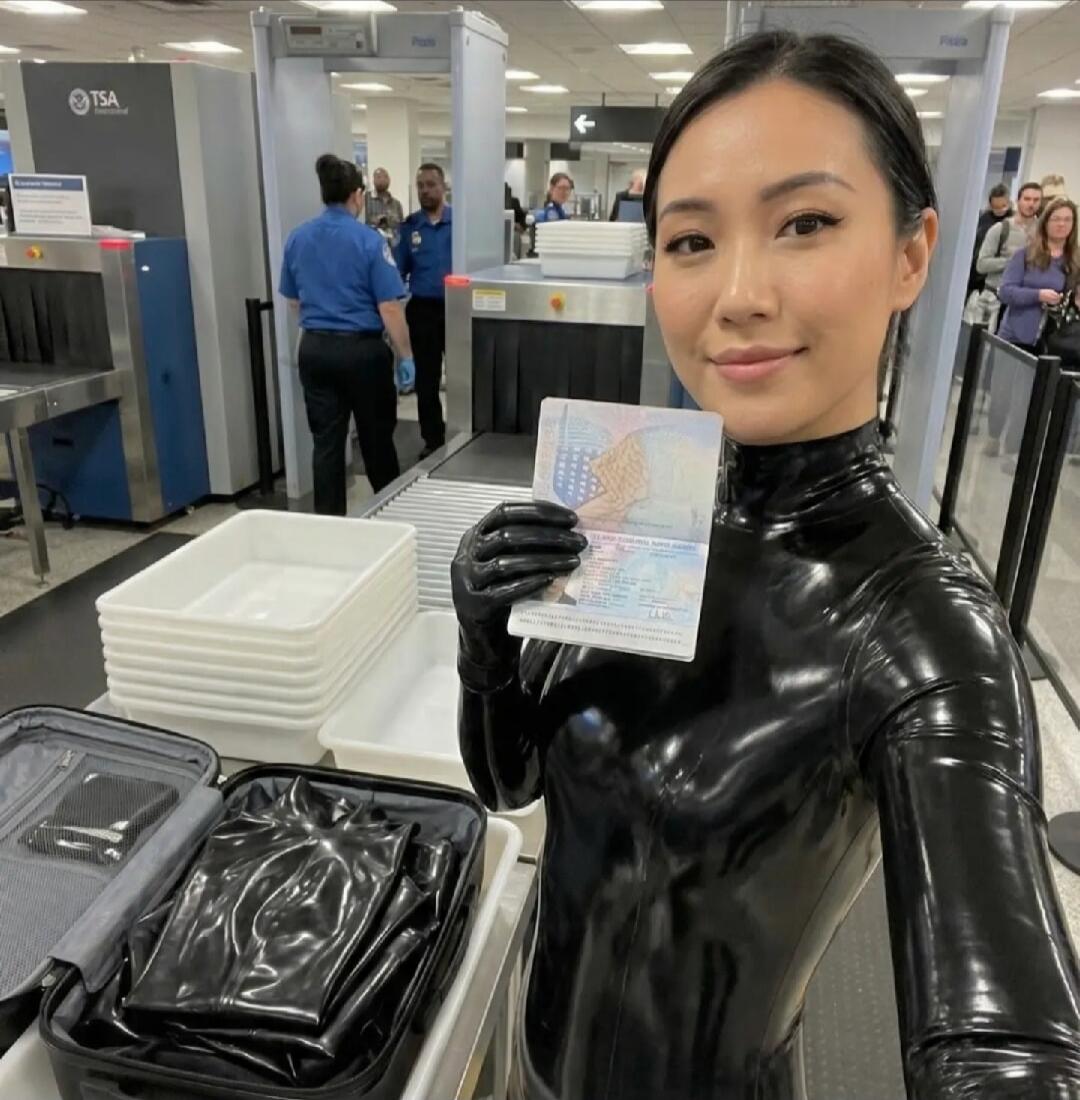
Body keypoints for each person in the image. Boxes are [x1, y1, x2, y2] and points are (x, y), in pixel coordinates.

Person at [451, 30, 1080, 1100]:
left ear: (912, 254)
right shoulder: (642, 506)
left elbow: (1006, 1044)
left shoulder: (926, 631)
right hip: (530, 1064)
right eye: (691, 240)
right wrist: (485, 643)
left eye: (805, 223)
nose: (736, 293)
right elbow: (510, 784)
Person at [280, 154, 415, 514]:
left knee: (326, 444)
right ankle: (390, 515)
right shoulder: (369, 241)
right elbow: (389, 307)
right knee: (376, 441)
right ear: (357, 195)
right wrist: (406, 356)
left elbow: (293, 301)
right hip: (362, 355)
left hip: (316, 351)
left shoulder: (298, 238)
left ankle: (329, 528)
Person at [987, 195, 1079, 456]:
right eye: (1057, 219)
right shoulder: (1024, 256)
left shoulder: (1075, 261)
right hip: (1015, 334)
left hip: (1051, 340)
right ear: (1046, 222)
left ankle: (1014, 450)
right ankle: (994, 436)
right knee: (1002, 394)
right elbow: (1005, 292)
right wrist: (1038, 296)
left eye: (1068, 220)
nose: (1062, 225)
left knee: (1028, 399)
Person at [396, 162, 452, 458]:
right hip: (423, 312)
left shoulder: (460, 222)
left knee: (461, 378)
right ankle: (433, 439)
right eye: (420, 185)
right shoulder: (409, 227)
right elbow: (397, 271)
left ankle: (462, 435)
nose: (425, 190)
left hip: (457, 309)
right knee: (426, 380)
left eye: (431, 184)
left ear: (443, 187)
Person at [967, 180, 1041, 330]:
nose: (1031, 204)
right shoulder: (1000, 228)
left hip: (1024, 304)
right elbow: (981, 264)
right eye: (1027, 199)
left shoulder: (1042, 233)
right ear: (1018, 200)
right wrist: (1012, 261)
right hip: (994, 298)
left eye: (1036, 200)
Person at [965, 182, 1012, 299]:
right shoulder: (983, 219)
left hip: (995, 277)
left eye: (1003, 206)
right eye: (995, 207)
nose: (1000, 210)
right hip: (975, 272)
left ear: (1009, 203)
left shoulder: (1012, 223)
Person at [364, 166, 404, 243]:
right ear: (373, 180)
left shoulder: (396, 204)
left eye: (385, 176)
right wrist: (375, 222)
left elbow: (401, 228)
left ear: (389, 180)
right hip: (371, 245)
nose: (382, 179)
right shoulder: (365, 199)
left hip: (392, 248)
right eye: (378, 177)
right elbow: (359, 224)